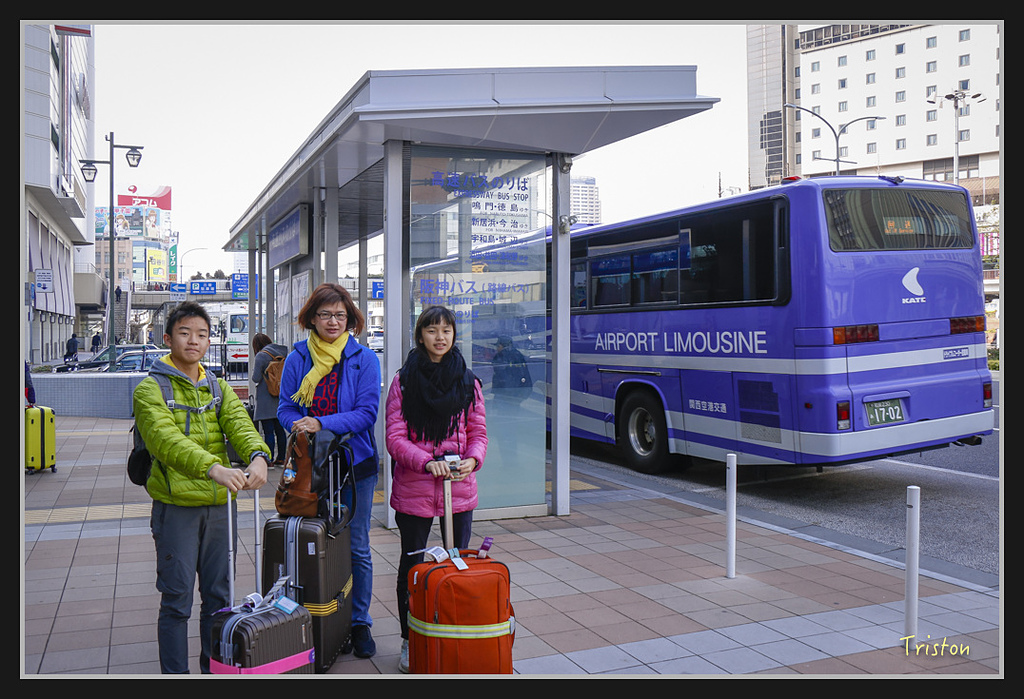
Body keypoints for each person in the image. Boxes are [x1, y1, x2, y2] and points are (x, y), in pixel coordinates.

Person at [132, 301, 270, 674]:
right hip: (176, 507)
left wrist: (258, 454)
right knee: (176, 601)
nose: (194, 341)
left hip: (220, 508)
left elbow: (241, 425)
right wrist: (214, 468)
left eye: (202, 335)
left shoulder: (218, 386)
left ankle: (214, 671)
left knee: (220, 601)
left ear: (210, 341)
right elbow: (166, 441)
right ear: (167, 338)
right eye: (185, 333)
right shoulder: (150, 390)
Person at [277, 283, 381, 659]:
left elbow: (367, 413)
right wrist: (300, 425)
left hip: (355, 466)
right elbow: (285, 409)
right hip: (311, 468)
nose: (333, 321)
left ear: (350, 318)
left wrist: (320, 423)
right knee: (313, 539)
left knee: (356, 545)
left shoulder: (364, 359)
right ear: (312, 318)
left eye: (340, 315)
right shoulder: (297, 358)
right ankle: (316, 615)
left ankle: (359, 622)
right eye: (325, 315)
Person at [385, 305, 488, 673]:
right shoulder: (403, 381)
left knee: (457, 565)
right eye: (432, 330)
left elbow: (478, 433)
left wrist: (473, 461)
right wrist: (426, 461)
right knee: (413, 568)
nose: (440, 337)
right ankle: (409, 640)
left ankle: (452, 634)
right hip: (415, 490)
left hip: (459, 490)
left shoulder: (468, 381)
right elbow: (395, 437)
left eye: (446, 330)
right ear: (420, 335)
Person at [250, 332, 288, 465]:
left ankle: (269, 459)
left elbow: (256, 378)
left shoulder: (261, 356)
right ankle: (282, 457)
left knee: (268, 432)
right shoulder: (283, 353)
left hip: (266, 398)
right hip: (280, 396)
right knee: (280, 430)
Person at [491, 334, 532, 403]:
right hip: (518, 391)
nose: (497, 349)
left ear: (502, 346)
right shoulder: (518, 354)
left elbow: (499, 373)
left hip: (503, 391)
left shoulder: (500, 356)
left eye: (498, 346)